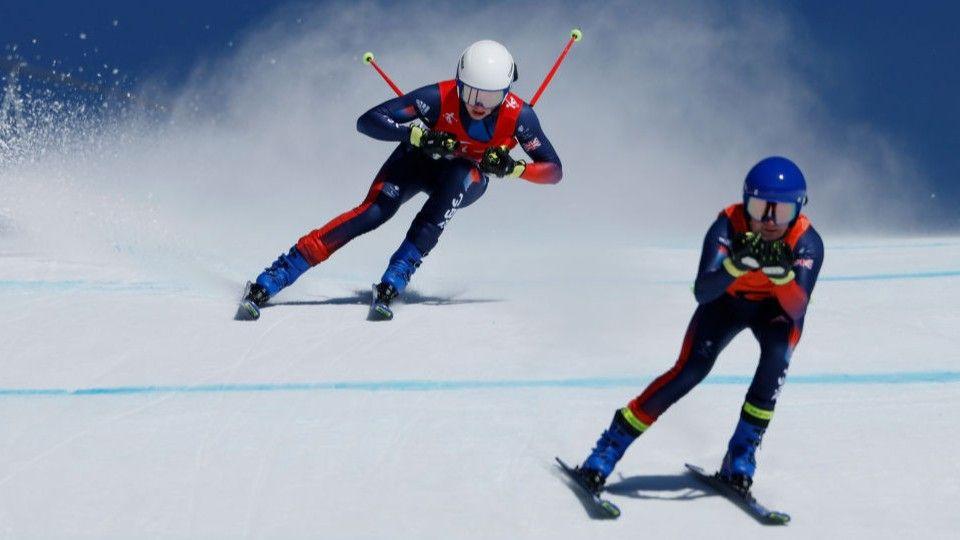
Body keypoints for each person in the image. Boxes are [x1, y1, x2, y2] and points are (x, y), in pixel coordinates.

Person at [236, 39, 562, 320]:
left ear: (506, 93)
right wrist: (417, 136)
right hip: (419, 162)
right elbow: (369, 121)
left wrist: (513, 168)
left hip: (467, 178)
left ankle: (397, 274)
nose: (478, 104)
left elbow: (553, 170)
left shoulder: (520, 116)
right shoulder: (439, 96)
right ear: (458, 82)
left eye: (490, 98)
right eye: (471, 92)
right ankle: (280, 272)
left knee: (456, 178)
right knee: (375, 211)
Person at [572, 156, 824, 496]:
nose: (768, 221)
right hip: (725, 304)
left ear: (798, 210)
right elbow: (704, 292)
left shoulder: (807, 241)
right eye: (759, 208)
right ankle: (609, 447)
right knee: (689, 372)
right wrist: (734, 267)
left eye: (780, 212)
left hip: (776, 311)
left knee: (773, 366)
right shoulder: (728, 225)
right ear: (745, 202)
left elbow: (796, 307)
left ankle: (740, 456)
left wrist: (780, 277)